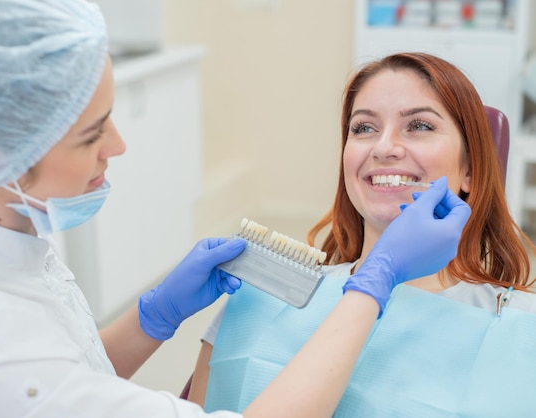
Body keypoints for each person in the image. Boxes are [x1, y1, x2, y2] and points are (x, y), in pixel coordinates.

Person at [0, 2, 471, 417]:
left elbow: (62, 372)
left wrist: (152, 316)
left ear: (473, 169)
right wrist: (375, 282)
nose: (119, 146)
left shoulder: (2, 227)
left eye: (419, 125)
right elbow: (34, 386)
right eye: (91, 135)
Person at [191, 52, 536, 417]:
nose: (384, 147)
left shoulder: (520, 326)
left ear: (471, 170)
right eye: (363, 128)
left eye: (419, 126)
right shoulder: (261, 294)